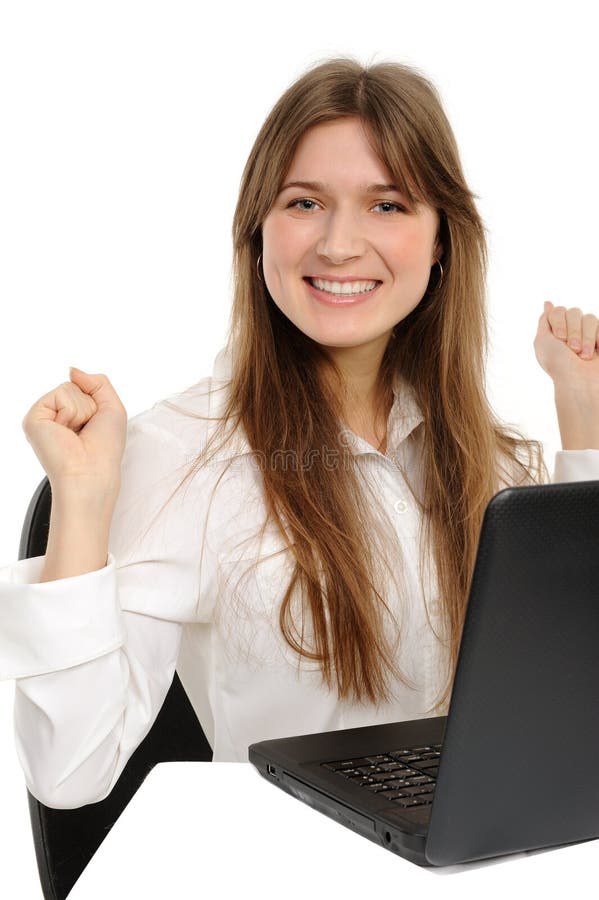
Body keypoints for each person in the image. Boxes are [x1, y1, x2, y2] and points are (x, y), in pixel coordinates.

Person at [2, 56, 599, 810]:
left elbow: (574, 704)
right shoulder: (184, 454)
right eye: (304, 203)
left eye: (387, 205)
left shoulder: (490, 459)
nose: (340, 245)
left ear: (441, 239)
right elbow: (67, 776)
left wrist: (585, 417)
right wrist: (82, 502)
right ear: (258, 232)